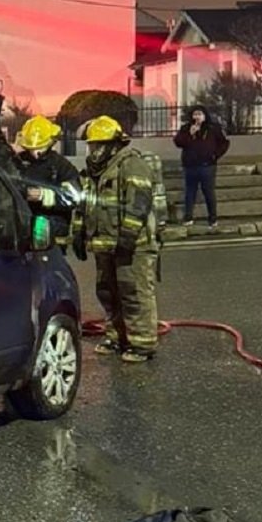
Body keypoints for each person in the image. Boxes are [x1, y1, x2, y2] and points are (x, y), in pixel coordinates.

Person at [72, 115, 166, 364]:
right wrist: (78, 234)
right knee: (107, 292)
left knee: (133, 292)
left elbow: (139, 204)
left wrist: (128, 237)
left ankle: (142, 343)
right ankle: (117, 337)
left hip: (133, 246)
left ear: (114, 144)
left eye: (99, 145)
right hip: (104, 244)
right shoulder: (93, 172)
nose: (94, 150)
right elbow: (85, 205)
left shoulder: (131, 165)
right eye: (91, 145)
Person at [12, 115, 81, 246]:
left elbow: (74, 197)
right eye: (31, 148)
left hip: (53, 233)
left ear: (51, 143)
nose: (35, 153)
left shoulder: (61, 166)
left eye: (40, 147)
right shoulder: (17, 162)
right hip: (23, 231)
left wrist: (44, 195)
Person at [173, 105, 230, 229]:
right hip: (190, 166)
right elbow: (178, 142)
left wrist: (215, 155)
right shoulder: (186, 128)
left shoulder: (213, 128)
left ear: (205, 116)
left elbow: (224, 143)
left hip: (207, 166)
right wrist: (190, 133)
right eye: (195, 114)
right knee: (190, 192)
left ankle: (212, 218)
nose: (197, 117)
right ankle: (188, 217)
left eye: (200, 114)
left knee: (209, 192)